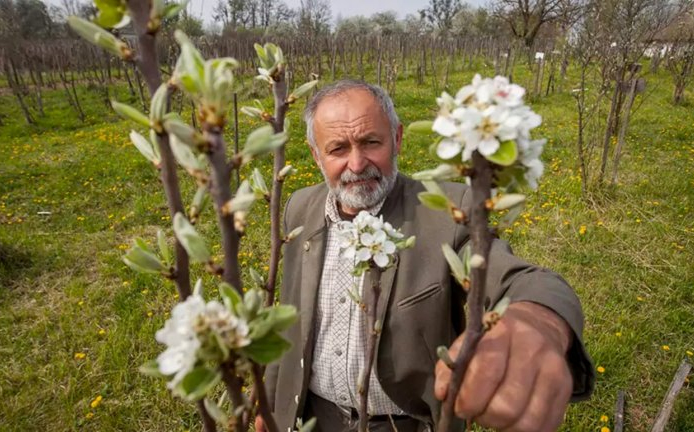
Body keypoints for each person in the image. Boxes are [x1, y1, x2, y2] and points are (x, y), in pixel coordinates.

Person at [258, 80, 594, 432]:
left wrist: (538, 321)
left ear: (398, 138)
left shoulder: (448, 210)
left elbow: (521, 280)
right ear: (316, 155)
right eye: (338, 149)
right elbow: (290, 316)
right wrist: (270, 403)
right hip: (313, 418)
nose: (357, 164)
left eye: (371, 142)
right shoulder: (299, 207)